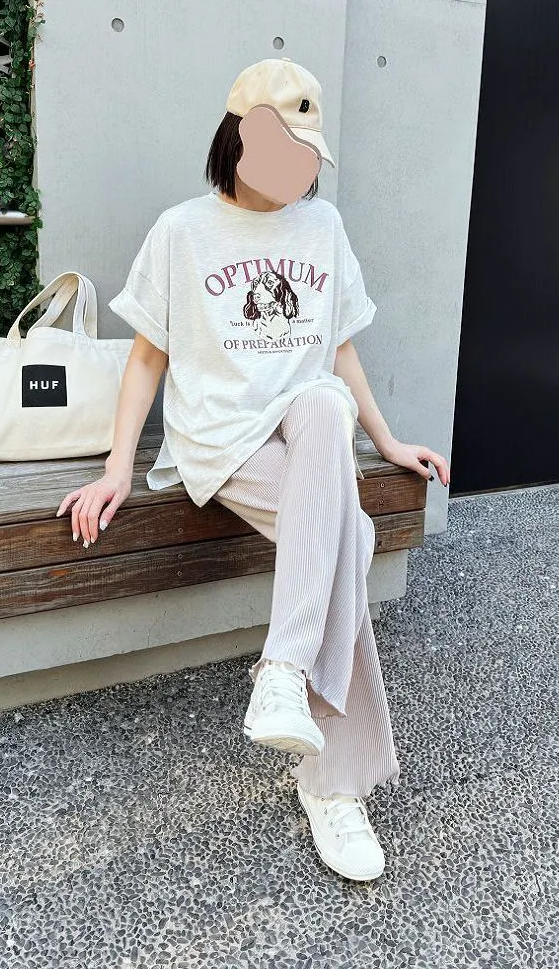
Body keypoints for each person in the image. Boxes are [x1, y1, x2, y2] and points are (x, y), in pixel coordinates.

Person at [57, 58, 451, 882]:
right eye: (280, 150)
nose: (294, 171)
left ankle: (284, 670)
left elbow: (339, 350)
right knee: (346, 537)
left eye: (306, 155)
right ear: (238, 139)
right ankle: (333, 784)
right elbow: (146, 358)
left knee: (326, 404)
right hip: (223, 442)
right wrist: (119, 469)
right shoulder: (182, 231)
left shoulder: (323, 227)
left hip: (308, 428)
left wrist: (387, 440)